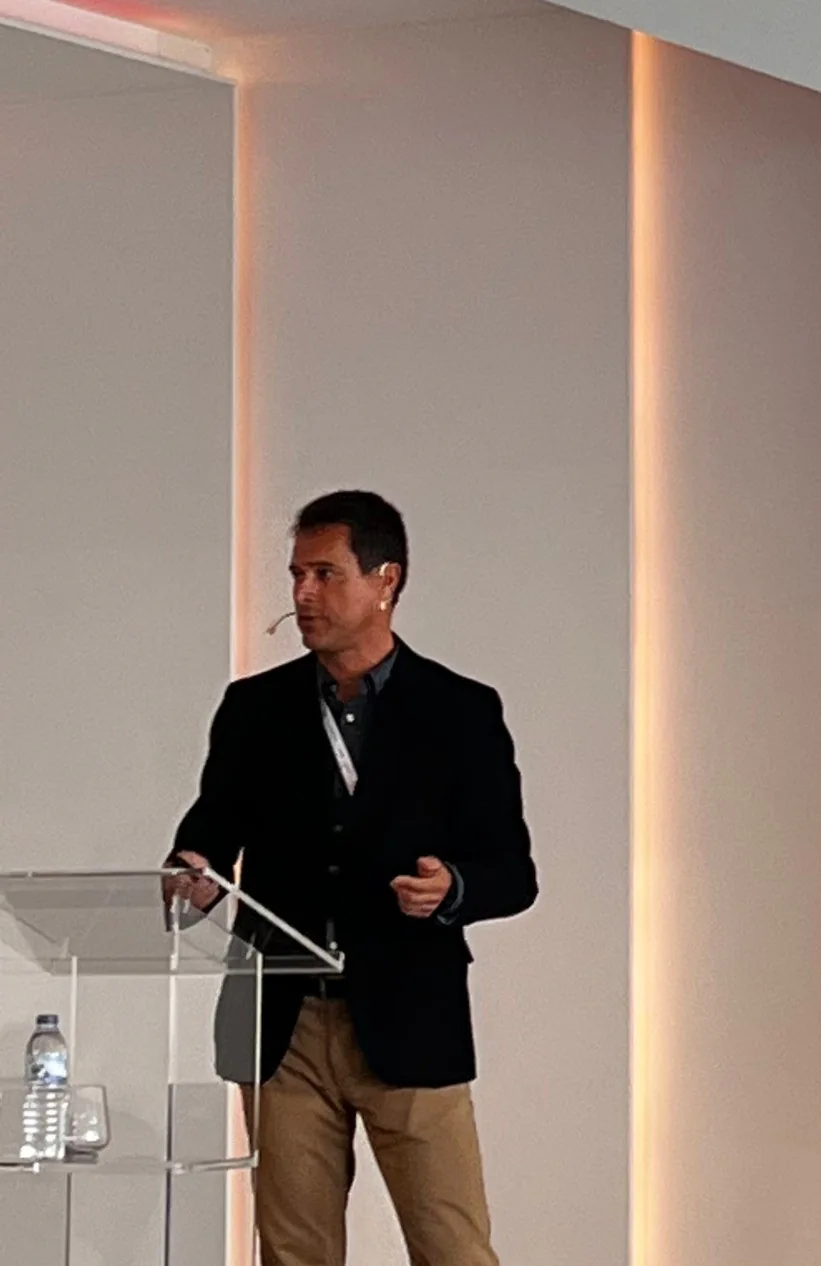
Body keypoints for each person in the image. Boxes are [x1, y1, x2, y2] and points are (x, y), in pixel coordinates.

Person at [165, 491, 534, 1266]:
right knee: (294, 1253)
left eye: (324, 574)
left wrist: (452, 889)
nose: (302, 594)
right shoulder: (254, 708)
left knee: (453, 1248)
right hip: (281, 1024)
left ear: (385, 580)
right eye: (297, 574)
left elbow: (512, 871)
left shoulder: (461, 710)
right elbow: (206, 835)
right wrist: (190, 876)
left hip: (408, 1015)